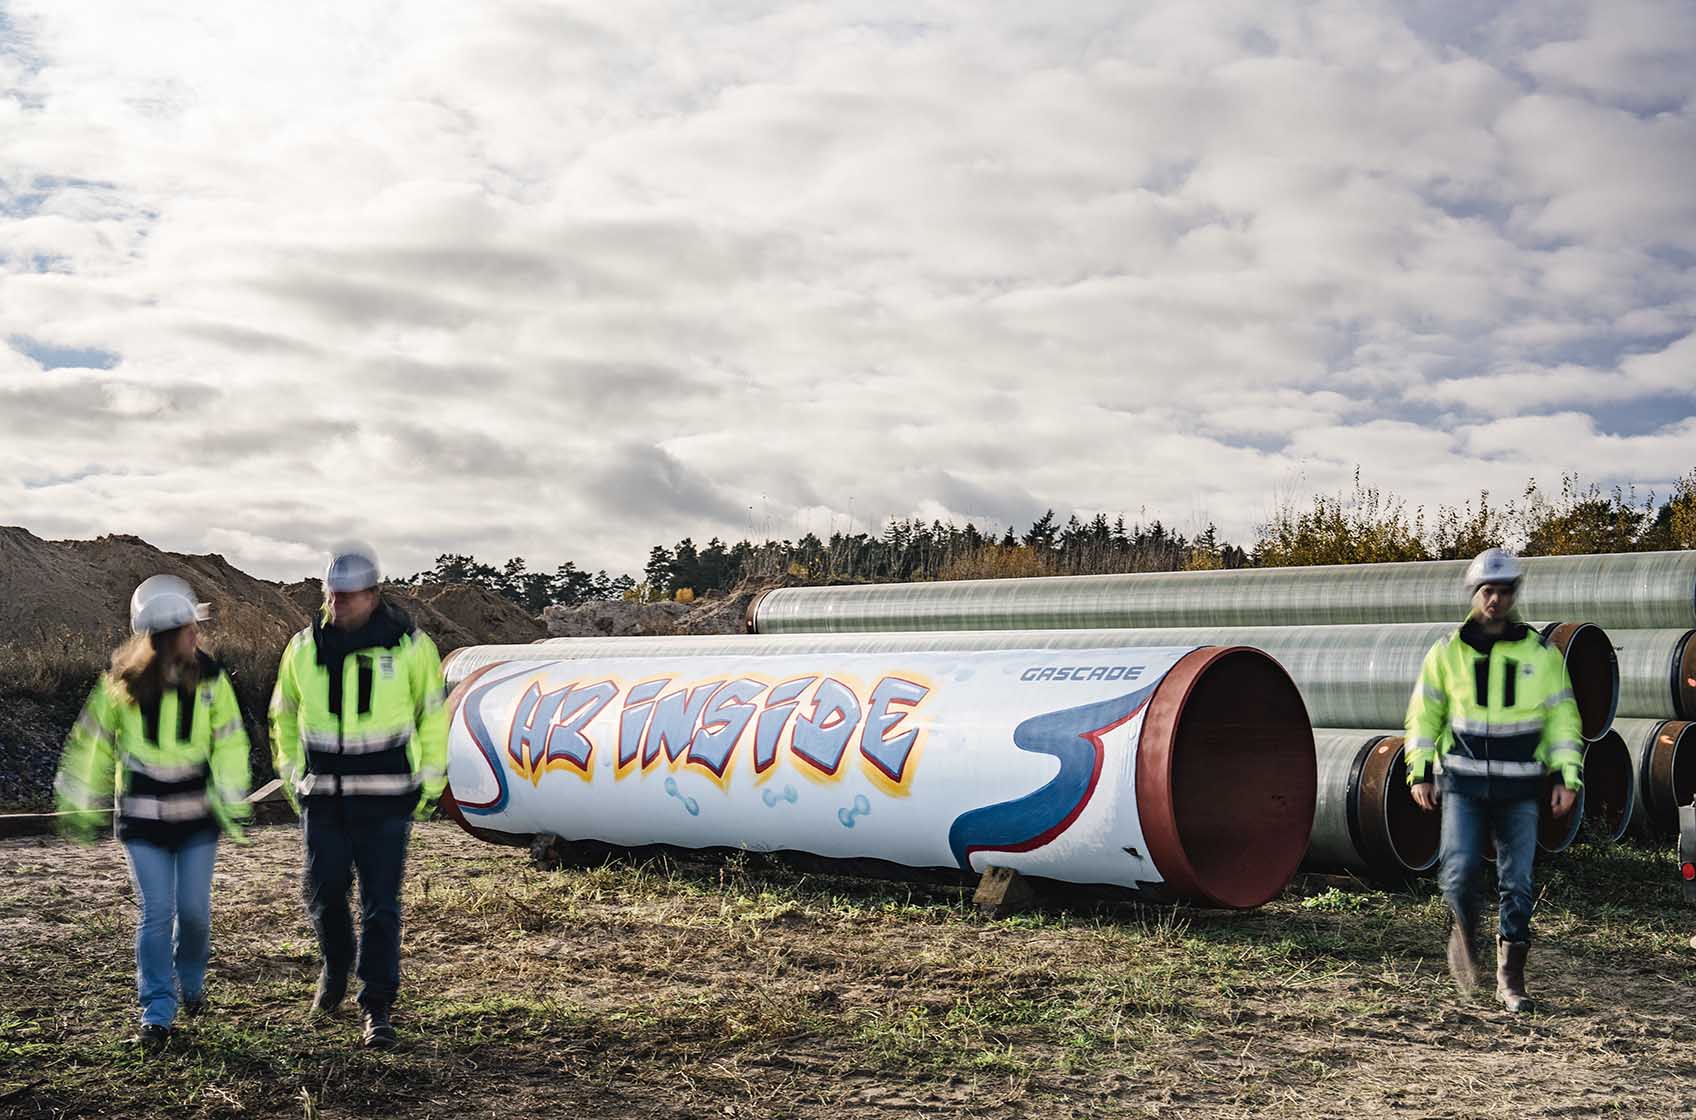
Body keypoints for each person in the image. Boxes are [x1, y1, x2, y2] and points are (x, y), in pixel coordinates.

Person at [54, 575, 253, 1051]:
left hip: (197, 822)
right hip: (143, 823)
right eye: (189, 627)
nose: (197, 634)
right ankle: (157, 1013)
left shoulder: (212, 682)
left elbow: (229, 742)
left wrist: (231, 800)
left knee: (195, 914)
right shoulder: (119, 687)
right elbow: (91, 745)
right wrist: (79, 798)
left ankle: (192, 983)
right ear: (165, 634)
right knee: (158, 912)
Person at [270, 542, 447, 1049]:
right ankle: (335, 968)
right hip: (322, 797)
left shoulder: (411, 647)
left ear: (373, 595)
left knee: (380, 904)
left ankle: (377, 1007)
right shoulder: (303, 649)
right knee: (323, 891)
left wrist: (428, 784)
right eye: (331, 595)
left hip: (387, 798)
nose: (336, 604)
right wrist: (291, 776)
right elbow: (282, 715)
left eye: (346, 596)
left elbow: (432, 717)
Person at [1404, 548, 1583, 1013]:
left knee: (1518, 884)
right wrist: (1420, 768)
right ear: (1474, 594)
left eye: (1504, 591)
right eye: (1488, 591)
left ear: (1514, 595)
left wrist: (1567, 773)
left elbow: (1562, 717)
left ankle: (1511, 979)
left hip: (1520, 788)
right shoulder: (1447, 652)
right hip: (1462, 784)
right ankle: (1467, 937)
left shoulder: (1540, 654)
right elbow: (1425, 713)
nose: (1496, 600)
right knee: (1459, 873)